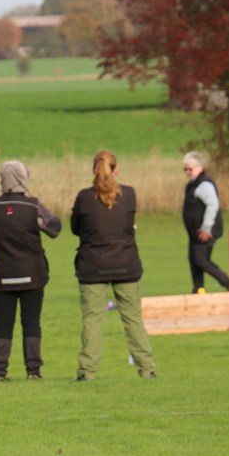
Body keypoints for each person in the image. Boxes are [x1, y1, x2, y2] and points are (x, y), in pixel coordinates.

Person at [72, 150, 156, 380]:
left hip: (93, 265)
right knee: (133, 318)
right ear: (116, 169)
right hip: (125, 263)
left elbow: (76, 228)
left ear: (93, 170)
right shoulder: (129, 194)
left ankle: (87, 372)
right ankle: (147, 368)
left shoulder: (84, 197)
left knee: (92, 320)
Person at [0, 161, 61, 381]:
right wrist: (39, 224)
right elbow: (55, 228)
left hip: (1, 275)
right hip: (32, 275)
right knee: (31, 323)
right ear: (22, 178)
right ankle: (33, 370)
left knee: (3, 324)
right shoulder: (33, 206)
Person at [182, 151, 229, 294]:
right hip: (195, 232)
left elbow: (213, 205)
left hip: (205, 231)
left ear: (199, 167)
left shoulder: (204, 184)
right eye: (185, 169)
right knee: (194, 260)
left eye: (190, 169)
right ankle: (198, 289)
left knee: (200, 260)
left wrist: (206, 228)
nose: (187, 172)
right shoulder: (192, 185)